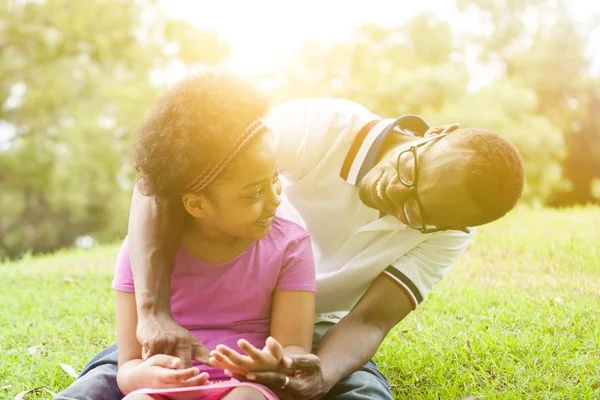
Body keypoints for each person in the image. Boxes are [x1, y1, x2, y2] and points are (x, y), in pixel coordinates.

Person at [57, 88, 525, 399]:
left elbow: (369, 320)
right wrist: (155, 311)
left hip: (309, 330)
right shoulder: (323, 125)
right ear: (435, 135)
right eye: (410, 173)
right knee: (112, 378)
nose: (394, 196)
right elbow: (163, 178)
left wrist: (320, 374)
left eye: (418, 212)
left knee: (363, 391)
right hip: (194, 309)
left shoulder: (451, 229)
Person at [56, 74, 317, 400]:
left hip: (245, 387)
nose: (276, 199)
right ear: (197, 204)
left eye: (274, 179)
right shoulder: (136, 256)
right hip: (165, 391)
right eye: (253, 195)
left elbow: (294, 346)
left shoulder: (289, 247)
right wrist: (145, 376)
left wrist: (279, 363)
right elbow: (127, 367)